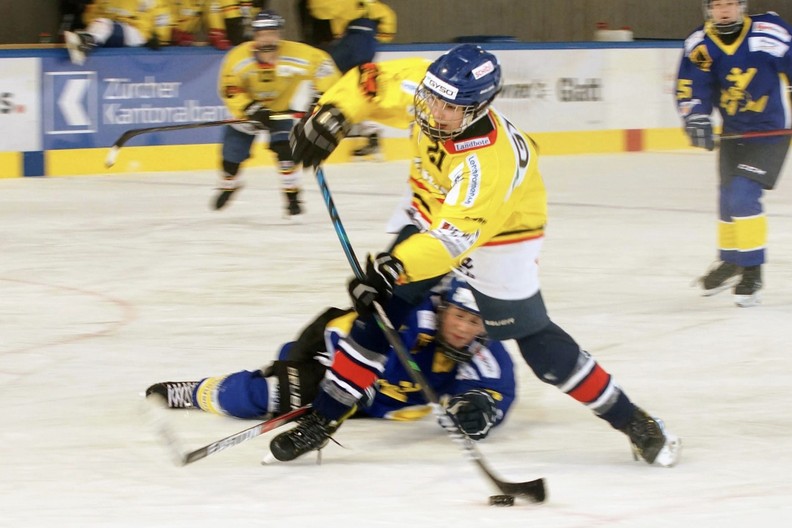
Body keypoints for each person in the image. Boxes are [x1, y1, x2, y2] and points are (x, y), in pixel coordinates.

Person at [273, 44, 682, 467]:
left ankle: (633, 420)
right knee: (379, 315)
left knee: (539, 346)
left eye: (448, 106)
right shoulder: (431, 90)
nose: (433, 110)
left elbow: (451, 241)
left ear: (478, 108)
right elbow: (368, 84)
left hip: (502, 235)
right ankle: (323, 419)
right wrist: (334, 115)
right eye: (432, 97)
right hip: (433, 207)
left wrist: (394, 268)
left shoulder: (489, 163)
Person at [146, 277, 517, 442]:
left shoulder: (484, 350)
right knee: (273, 394)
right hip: (341, 377)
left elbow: (495, 391)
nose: (463, 329)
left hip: (376, 406)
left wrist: (480, 410)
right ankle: (197, 392)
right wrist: (342, 379)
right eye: (459, 316)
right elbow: (340, 330)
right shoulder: (409, 316)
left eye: (473, 321)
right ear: (443, 307)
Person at [676, 0, 792, 307]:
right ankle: (730, 261)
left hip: (770, 132)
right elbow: (691, 86)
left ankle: (752, 270)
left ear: (741, 6)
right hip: (733, 134)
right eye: (717, 4)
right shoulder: (700, 43)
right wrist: (696, 117)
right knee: (727, 199)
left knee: (743, 195)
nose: (723, 9)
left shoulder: (769, 31)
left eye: (729, 3)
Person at [214, 9, 341, 216]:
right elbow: (229, 89)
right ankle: (229, 183)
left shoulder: (296, 54)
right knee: (231, 158)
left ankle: (292, 198)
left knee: (286, 153)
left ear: (279, 34)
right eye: (262, 34)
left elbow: (325, 68)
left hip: (280, 111)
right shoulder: (237, 58)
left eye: (272, 33)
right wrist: (251, 108)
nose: (267, 39)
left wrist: (319, 101)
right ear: (254, 36)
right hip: (248, 113)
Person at [305, 0, 398, 160]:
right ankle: (371, 135)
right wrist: (382, 37)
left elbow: (319, 10)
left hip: (350, 41)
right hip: (368, 45)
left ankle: (316, 108)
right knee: (359, 90)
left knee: (324, 66)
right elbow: (389, 21)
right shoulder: (374, 6)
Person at [64, 0, 171, 66]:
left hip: (138, 35)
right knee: (102, 23)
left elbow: (162, 17)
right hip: (112, 33)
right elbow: (91, 18)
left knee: (104, 23)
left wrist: (159, 36)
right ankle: (86, 41)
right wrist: (87, 9)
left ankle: (85, 43)